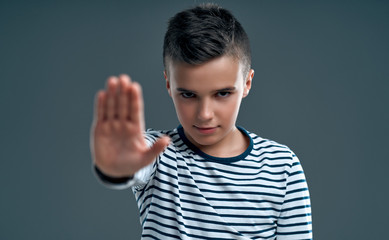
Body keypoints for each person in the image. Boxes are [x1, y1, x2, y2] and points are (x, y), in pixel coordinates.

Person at [90, 3, 312, 239]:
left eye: (222, 93)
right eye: (188, 94)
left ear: (247, 82)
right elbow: (135, 161)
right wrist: (117, 168)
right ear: (168, 84)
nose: (204, 114)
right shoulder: (157, 154)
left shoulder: (282, 167)